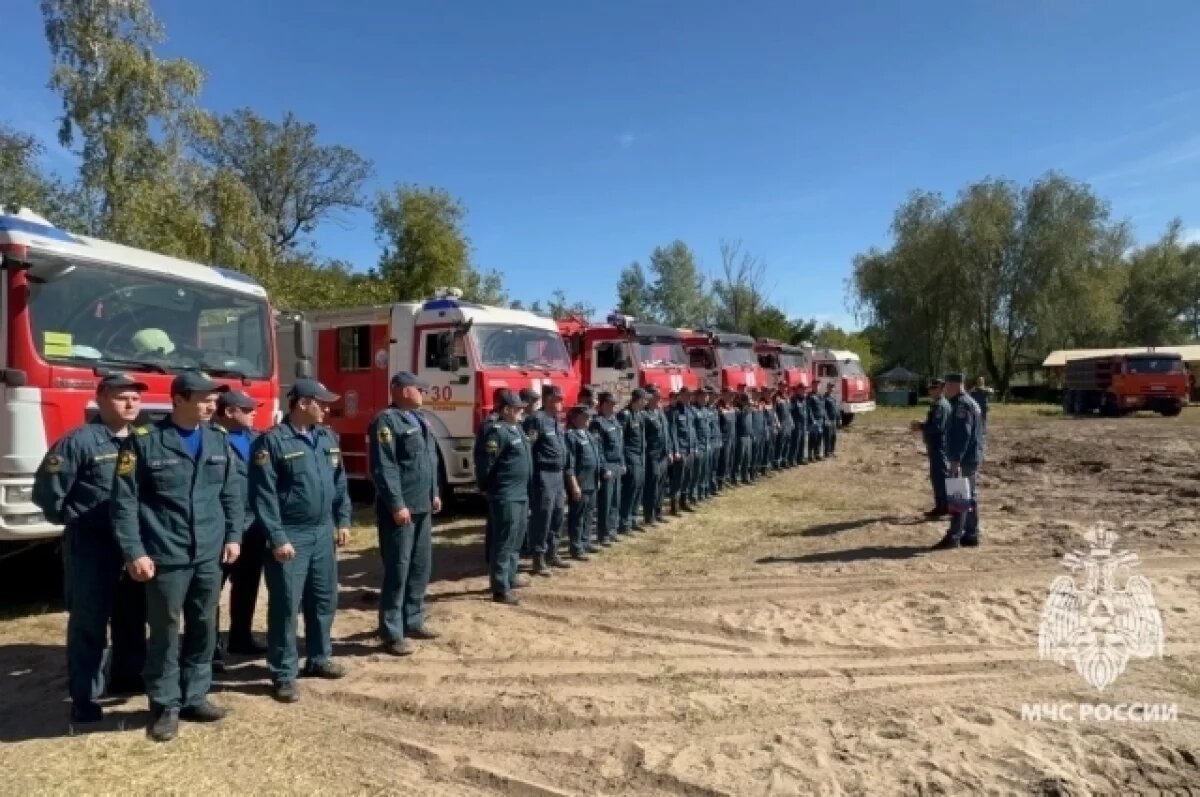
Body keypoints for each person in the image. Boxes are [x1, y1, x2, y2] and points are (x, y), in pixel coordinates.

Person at [111, 371, 243, 742]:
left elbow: (231, 493)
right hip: (166, 553)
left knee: (204, 625)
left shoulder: (218, 440)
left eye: (213, 397)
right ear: (179, 399)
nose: (211, 403)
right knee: (165, 631)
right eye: (202, 397)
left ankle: (195, 696)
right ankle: (165, 703)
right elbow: (124, 504)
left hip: (209, 554)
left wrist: (234, 535)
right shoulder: (145, 442)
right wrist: (134, 551)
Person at [33, 372, 148, 723]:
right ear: (100, 399)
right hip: (91, 547)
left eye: (135, 398)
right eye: (121, 397)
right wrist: (77, 520)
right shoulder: (79, 442)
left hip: (132, 546)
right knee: (89, 622)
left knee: (131, 616)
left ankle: (126, 676)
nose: (130, 403)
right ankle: (85, 697)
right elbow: (47, 494)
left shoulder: (145, 442)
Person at [250, 378, 351, 703]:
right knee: (285, 605)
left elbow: (340, 483)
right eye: (321, 402)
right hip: (291, 533)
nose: (327, 408)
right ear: (303, 403)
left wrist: (344, 519)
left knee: (323, 599)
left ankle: (319, 657)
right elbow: (263, 496)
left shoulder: (327, 438)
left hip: (322, 532)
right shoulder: (272, 443)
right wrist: (277, 537)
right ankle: (283, 673)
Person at [368, 372, 442, 657]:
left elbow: (428, 459)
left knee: (420, 566)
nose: (423, 391)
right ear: (398, 390)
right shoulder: (386, 421)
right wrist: (397, 504)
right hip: (401, 509)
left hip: (422, 504)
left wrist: (434, 492)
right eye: (417, 388)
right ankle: (391, 630)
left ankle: (413, 618)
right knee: (398, 569)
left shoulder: (420, 419)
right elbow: (384, 468)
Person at [212, 390, 266, 673]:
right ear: (229, 411)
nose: (254, 411)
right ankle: (211, 649)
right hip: (221, 525)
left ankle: (240, 636)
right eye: (247, 408)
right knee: (212, 589)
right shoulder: (209, 438)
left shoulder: (256, 437)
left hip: (253, 522)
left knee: (247, 584)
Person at [475, 389, 532, 603]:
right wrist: (486, 487)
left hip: (520, 493)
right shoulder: (496, 431)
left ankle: (510, 576)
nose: (521, 413)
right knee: (503, 541)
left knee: (516, 539)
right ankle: (500, 587)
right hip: (505, 493)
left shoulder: (516, 428)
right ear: (507, 409)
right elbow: (486, 463)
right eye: (518, 409)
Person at [932, 372, 982, 550]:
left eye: (946, 386)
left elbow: (962, 435)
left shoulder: (961, 405)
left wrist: (955, 460)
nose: (944, 390)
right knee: (970, 495)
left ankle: (954, 536)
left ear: (954, 385)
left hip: (963, 458)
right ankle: (971, 534)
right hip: (972, 456)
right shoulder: (972, 402)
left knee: (958, 496)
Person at [524, 383, 570, 573]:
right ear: (548, 399)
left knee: (558, 514)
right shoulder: (537, 419)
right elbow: (528, 449)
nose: (560, 403)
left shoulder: (555, 421)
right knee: (543, 516)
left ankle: (553, 552)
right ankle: (538, 557)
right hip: (543, 474)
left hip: (558, 474)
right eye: (557, 399)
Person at [564, 405, 605, 560]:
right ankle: (576, 547)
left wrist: (598, 478)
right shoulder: (571, 436)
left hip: (592, 481)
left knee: (589, 514)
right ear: (576, 418)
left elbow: (595, 457)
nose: (589, 420)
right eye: (586, 417)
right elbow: (570, 464)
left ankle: (586, 541)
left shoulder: (587, 434)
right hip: (580, 483)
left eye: (590, 417)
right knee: (577, 516)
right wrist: (573, 485)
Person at [911, 378, 951, 518]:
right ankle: (941, 505)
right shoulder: (938, 404)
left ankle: (944, 506)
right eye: (930, 388)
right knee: (937, 476)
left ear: (941, 389)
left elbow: (937, 427)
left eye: (933, 388)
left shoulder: (940, 405)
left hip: (938, 445)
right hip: (936, 444)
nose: (930, 391)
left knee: (940, 476)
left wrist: (921, 426)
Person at [617, 388, 647, 534]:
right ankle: (624, 522)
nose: (646, 402)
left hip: (640, 456)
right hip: (630, 456)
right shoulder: (625, 415)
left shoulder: (639, 415)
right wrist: (623, 460)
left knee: (639, 488)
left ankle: (633, 518)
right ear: (638, 399)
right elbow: (620, 440)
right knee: (630, 489)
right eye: (644, 399)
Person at [641, 386, 673, 525]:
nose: (659, 399)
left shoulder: (660, 412)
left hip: (663, 454)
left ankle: (658, 511)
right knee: (652, 486)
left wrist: (670, 450)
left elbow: (667, 433)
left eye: (660, 396)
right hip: (652, 455)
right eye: (656, 396)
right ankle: (650, 515)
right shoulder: (644, 414)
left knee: (661, 485)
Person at [667, 387, 695, 513]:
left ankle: (684, 502)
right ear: (681, 395)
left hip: (690, 449)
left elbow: (692, 430)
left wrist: (694, 447)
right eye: (687, 395)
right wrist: (676, 450)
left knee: (688, 477)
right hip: (681, 450)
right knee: (678, 478)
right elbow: (673, 433)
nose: (689, 397)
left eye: (690, 395)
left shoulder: (689, 410)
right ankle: (674, 505)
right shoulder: (675, 411)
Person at [806, 385, 826, 461]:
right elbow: (809, 409)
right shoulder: (810, 396)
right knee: (812, 438)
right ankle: (810, 455)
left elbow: (822, 407)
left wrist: (824, 417)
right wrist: (812, 419)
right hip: (814, 420)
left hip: (820, 420)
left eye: (818, 385)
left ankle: (817, 454)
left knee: (819, 437)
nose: (817, 387)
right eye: (815, 385)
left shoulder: (820, 396)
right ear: (812, 386)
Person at [823, 383, 841, 457]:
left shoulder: (833, 398)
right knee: (828, 437)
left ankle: (832, 451)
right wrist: (826, 419)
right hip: (829, 421)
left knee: (834, 436)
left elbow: (837, 410)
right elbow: (823, 410)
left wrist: (839, 419)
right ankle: (827, 452)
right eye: (830, 387)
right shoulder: (825, 398)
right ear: (827, 388)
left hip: (834, 420)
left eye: (832, 388)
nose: (831, 389)